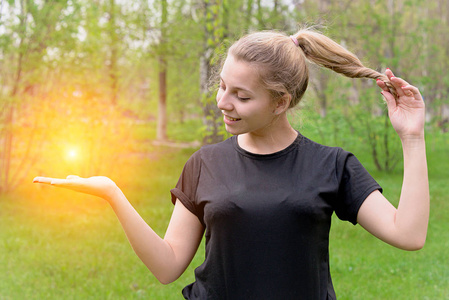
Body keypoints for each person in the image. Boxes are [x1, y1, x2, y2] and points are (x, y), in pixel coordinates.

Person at [33, 28, 429, 299]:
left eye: (241, 95)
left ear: (280, 103)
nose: (223, 102)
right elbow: (169, 265)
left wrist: (412, 137)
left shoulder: (331, 165)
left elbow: (408, 234)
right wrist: (112, 194)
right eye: (223, 86)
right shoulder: (205, 163)